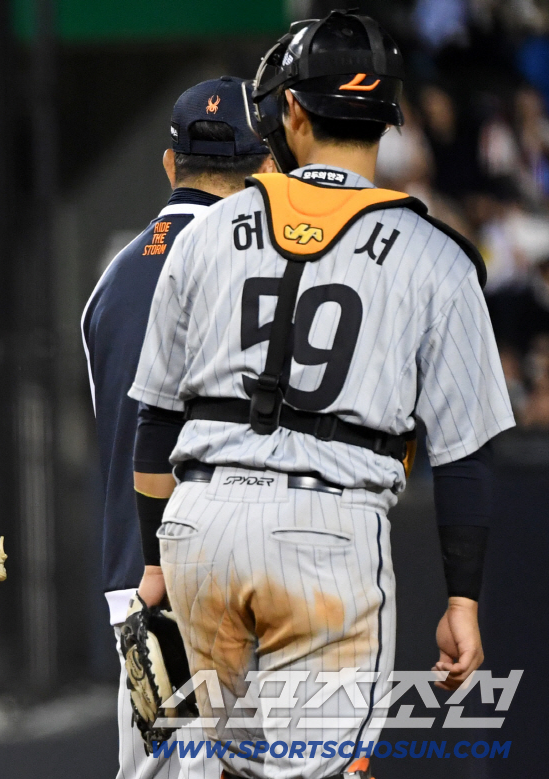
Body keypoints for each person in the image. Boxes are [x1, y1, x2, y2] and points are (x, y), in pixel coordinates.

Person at [128, 11, 513, 779]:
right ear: (388, 119)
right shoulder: (437, 255)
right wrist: (462, 599)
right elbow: (465, 456)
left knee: (235, 769)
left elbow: (155, 420)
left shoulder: (209, 231)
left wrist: (155, 562)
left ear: (291, 111)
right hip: (329, 533)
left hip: (202, 526)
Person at [81, 76, 272, 779]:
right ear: (263, 168)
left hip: (136, 578)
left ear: (170, 164)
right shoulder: (258, 270)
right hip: (231, 564)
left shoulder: (108, 281)